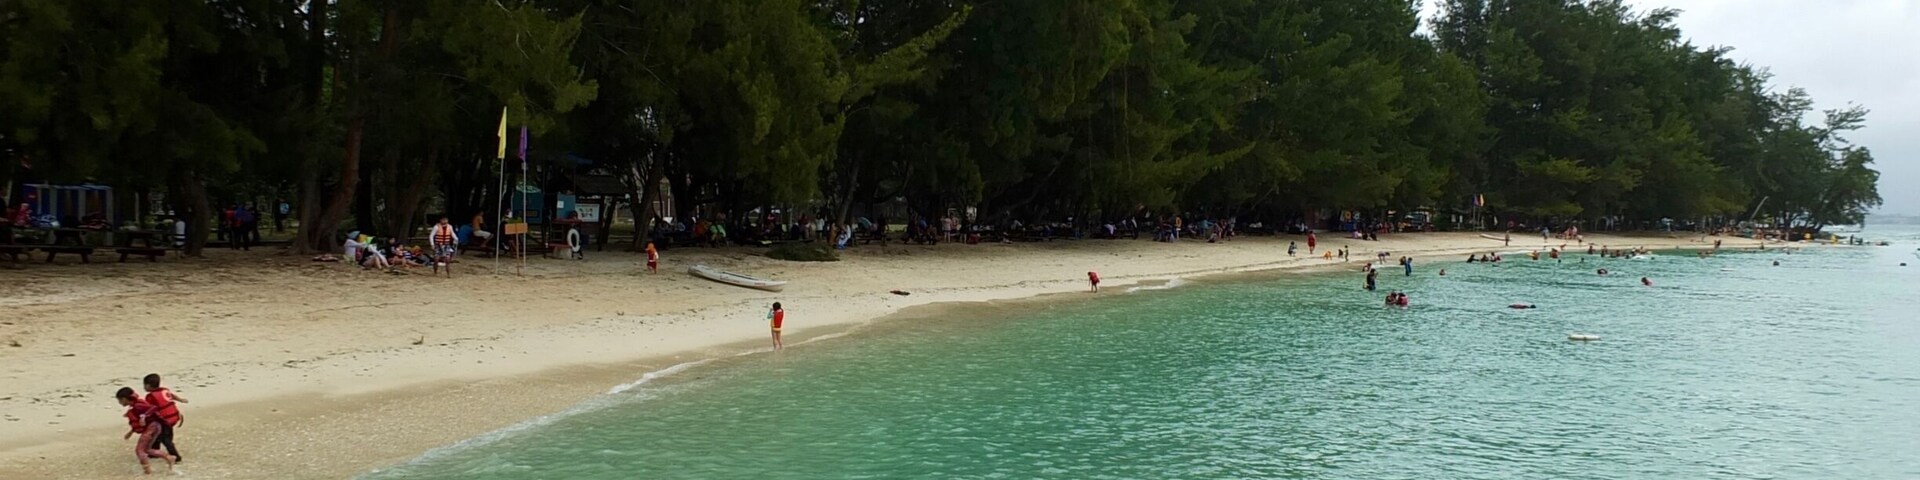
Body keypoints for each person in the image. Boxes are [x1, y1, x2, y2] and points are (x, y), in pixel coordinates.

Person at [116, 387, 174, 474]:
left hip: (152, 428)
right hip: (155, 427)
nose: (119, 403)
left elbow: (154, 407)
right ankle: (169, 457)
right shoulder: (135, 406)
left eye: (119, 400)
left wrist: (144, 416)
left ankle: (147, 472)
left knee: (139, 450)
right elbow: (137, 422)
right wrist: (131, 432)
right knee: (147, 449)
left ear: (124, 399)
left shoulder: (138, 405)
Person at [142, 374, 186, 463]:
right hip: (173, 418)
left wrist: (143, 417)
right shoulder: (164, 391)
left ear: (148, 386)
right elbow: (172, 396)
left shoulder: (150, 396)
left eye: (144, 385)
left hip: (165, 421)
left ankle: (176, 456)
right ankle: (153, 452)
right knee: (157, 434)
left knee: (166, 439)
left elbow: (149, 409)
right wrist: (181, 399)